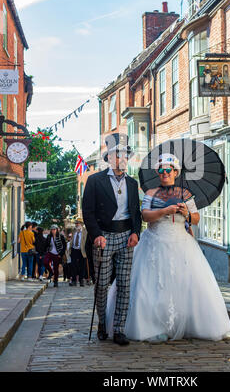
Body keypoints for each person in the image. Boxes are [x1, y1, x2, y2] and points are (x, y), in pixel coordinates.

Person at [106, 153, 230, 342]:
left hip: (181, 242)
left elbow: (196, 218)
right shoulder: (150, 193)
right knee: (153, 286)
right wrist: (165, 211)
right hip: (154, 242)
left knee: (189, 285)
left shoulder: (186, 194)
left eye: (168, 170)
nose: (165, 173)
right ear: (158, 172)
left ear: (175, 172)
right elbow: (146, 216)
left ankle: (193, 324)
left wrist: (186, 214)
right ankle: (155, 326)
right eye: (161, 170)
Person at [82, 133, 142, 346]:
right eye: (117, 155)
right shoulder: (94, 181)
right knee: (101, 285)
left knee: (125, 285)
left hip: (126, 238)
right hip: (103, 238)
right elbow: (87, 212)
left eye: (125, 155)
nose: (121, 159)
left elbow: (136, 212)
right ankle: (102, 323)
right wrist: (97, 235)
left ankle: (119, 329)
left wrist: (136, 232)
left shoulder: (133, 184)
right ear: (109, 158)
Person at [69, 218, 87, 287]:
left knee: (82, 266)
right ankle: (74, 280)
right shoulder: (74, 231)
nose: (76, 225)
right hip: (74, 249)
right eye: (76, 223)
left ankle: (81, 280)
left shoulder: (85, 231)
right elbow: (71, 240)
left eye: (78, 223)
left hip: (82, 250)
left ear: (81, 224)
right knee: (73, 265)